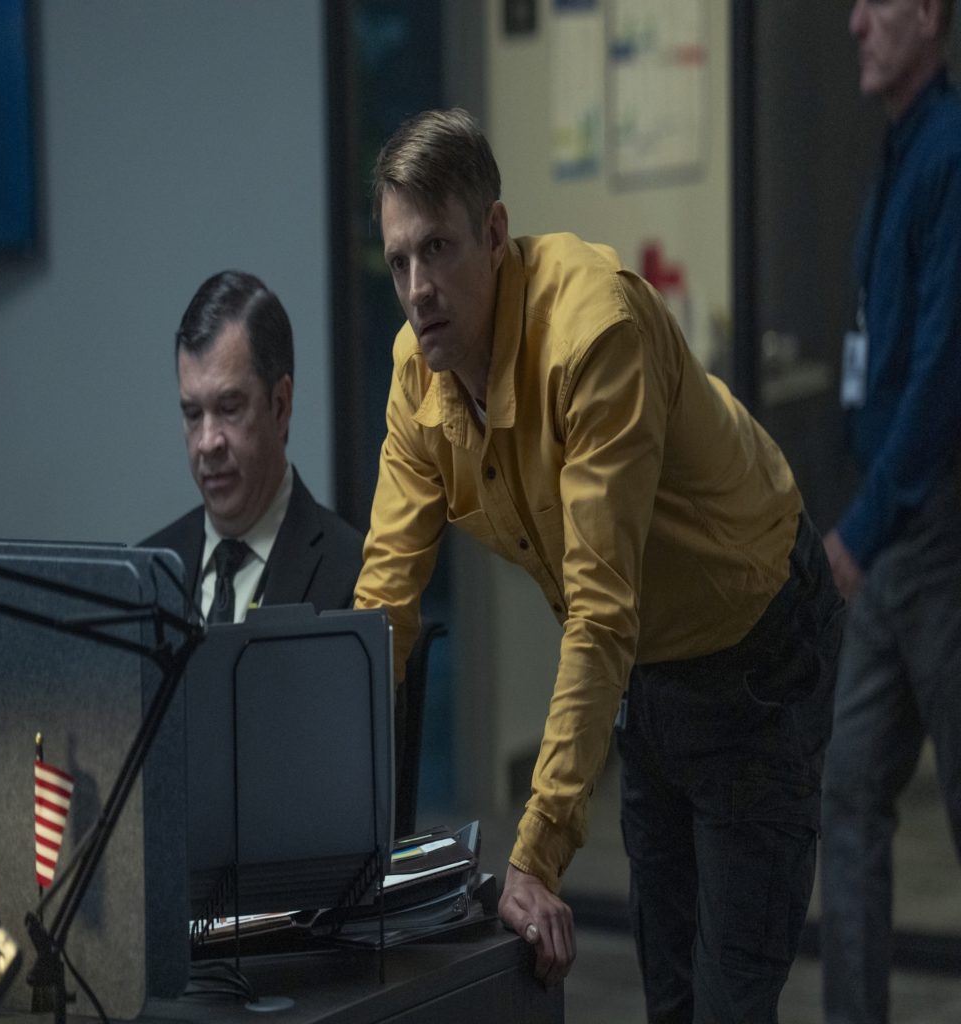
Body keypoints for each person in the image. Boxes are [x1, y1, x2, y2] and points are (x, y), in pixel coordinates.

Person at [353, 108, 843, 1020]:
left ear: (494, 234)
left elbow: (599, 611)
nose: (418, 288)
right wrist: (326, 805)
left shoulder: (591, 332)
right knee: (671, 992)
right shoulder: (417, 375)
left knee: (733, 997)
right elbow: (385, 604)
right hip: (648, 667)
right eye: (399, 261)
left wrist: (534, 858)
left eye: (439, 248)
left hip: (758, 640)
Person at [821, 2, 961, 1021]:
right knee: (850, 792)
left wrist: (861, 531)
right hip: (890, 535)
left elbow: (943, 374)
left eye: (876, 4)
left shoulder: (950, 154)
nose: (855, 22)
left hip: (933, 536)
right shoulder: (901, 147)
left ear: (929, 14)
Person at [142, 270, 362, 622]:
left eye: (229, 409)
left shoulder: (355, 576)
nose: (207, 442)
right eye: (193, 414)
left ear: (280, 406)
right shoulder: (145, 575)